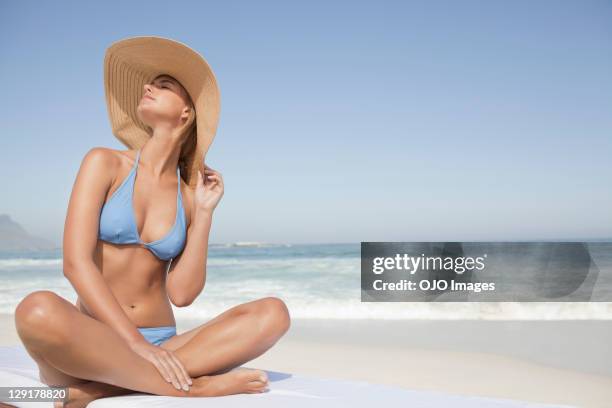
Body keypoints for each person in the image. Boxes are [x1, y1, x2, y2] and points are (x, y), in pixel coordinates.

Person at [14, 36, 291, 407]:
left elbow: (182, 294)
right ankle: (192, 387)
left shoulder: (189, 197)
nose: (148, 87)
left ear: (186, 114)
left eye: (163, 86)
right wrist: (135, 345)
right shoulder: (104, 163)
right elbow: (75, 264)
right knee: (36, 309)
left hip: (166, 342)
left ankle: (101, 391)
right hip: (95, 340)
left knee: (273, 313)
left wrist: (205, 214)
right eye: (150, 84)